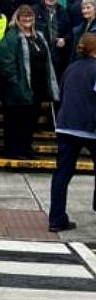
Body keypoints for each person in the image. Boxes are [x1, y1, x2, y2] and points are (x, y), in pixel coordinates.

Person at [0, 5, 59, 159]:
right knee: (15, 121)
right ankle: (14, 150)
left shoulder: (39, 36)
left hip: (36, 87)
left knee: (30, 121)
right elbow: (6, 64)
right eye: (23, 16)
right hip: (16, 88)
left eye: (30, 16)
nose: (27, 19)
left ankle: (26, 148)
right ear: (17, 18)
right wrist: (15, 83)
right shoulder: (11, 37)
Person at [48, 33, 96, 233]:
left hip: (65, 124)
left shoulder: (71, 68)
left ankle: (56, 218)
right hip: (89, 127)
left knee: (62, 173)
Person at [34, 0, 71, 80]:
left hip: (57, 56)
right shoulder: (35, 10)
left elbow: (69, 33)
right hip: (39, 55)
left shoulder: (63, 12)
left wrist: (64, 39)